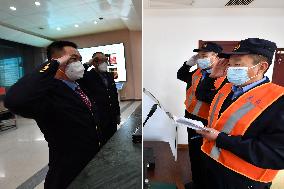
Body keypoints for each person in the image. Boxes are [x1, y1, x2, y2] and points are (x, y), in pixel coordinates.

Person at [4, 41, 103, 189]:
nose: (79, 64)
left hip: (92, 165)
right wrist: (53, 65)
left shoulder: (77, 86)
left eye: (80, 60)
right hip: (68, 174)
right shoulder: (49, 93)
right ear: (57, 61)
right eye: (73, 59)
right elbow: (14, 100)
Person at [197, 38, 284, 189]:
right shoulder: (228, 88)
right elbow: (202, 96)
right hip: (213, 168)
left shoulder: (278, 101)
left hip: (243, 181)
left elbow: (276, 154)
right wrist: (212, 77)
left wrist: (221, 139)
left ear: (261, 67)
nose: (231, 69)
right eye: (230, 64)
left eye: (237, 65)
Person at [177, 42, 227, 189]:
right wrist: (187, 64)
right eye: (199, 56)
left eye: (204, 55)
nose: (200, 58)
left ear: (216, 56)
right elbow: (181, 75)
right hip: (191, 116)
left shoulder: (224, 76)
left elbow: (204, 96)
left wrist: (211, 78)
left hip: (207, 122)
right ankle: (197, 181)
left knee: (204, 154)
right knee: (193, 151)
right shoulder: (198, 72)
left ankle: (204, 184)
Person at [78, 52, 120, 145]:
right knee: (104, 143)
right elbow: (78, 76)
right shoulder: (88, 76)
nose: (104, 63)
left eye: (105, 60)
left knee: (114, 141)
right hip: (99, 117)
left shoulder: (109, 75)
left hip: (112, 116)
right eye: (100, 60)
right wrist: (88, 63)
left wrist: (117, 114)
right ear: (94, 62)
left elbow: (114, 95)